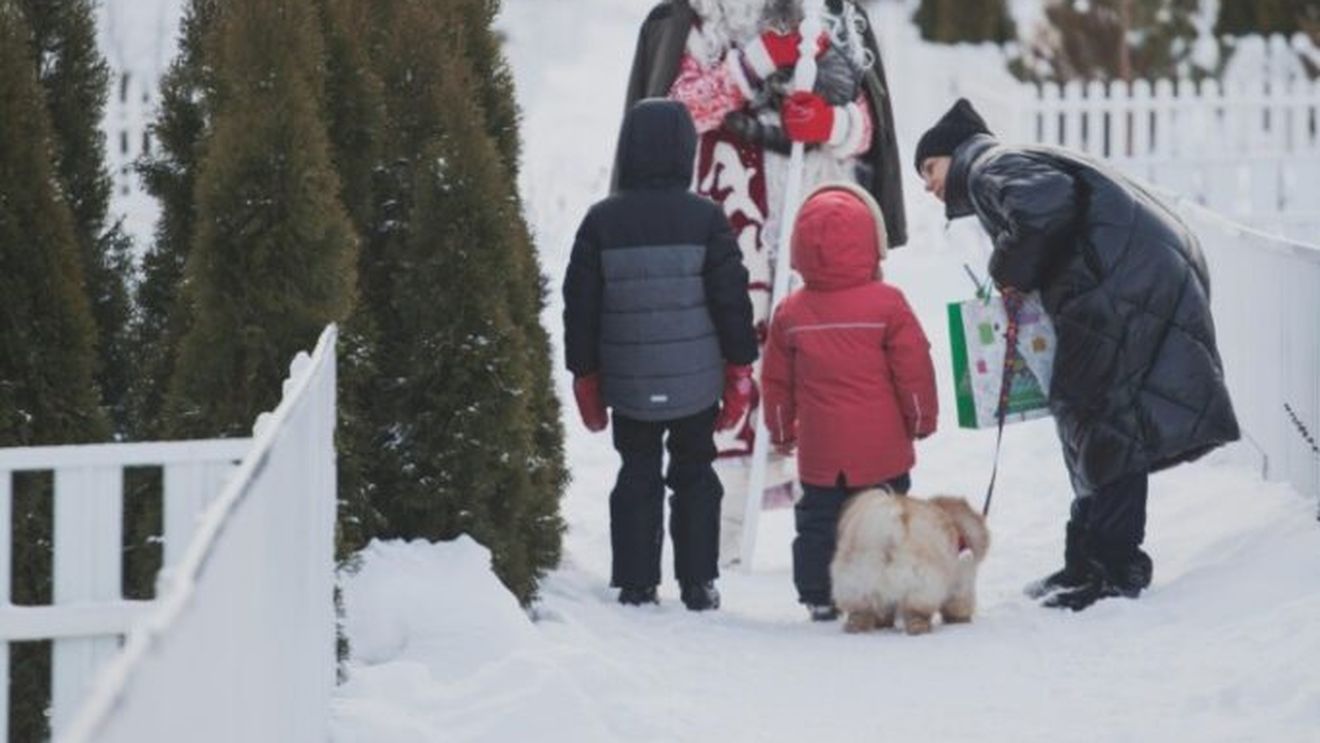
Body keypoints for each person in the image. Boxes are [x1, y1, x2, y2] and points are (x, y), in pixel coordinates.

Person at [914, 98, 1241, 611]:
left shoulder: (986, 166)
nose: (928, 186)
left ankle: (1113, 567)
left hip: (1118, 283)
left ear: (953, 155)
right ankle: (1088, 561)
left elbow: (1047, 208)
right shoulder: (1003, 162)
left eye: (929, 169)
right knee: (1089, 413)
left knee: (1101, 417)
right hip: (1133, 273)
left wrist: (1008, 272)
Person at [617, 0, 907, 566]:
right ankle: (719, 551)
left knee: (825, 382)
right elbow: (675, 112)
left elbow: (869, 122)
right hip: (725, 236)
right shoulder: (691, 21)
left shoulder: (831, 17)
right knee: (730, 381)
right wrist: (755, 60)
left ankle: (832, 549)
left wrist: (832, 123)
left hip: (814, 234)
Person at [564, 100, 759, 610]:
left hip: (628, 384)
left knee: (636, 472)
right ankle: (698, 583)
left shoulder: (601, 221)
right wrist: (740, 367)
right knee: (695, 473)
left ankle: (636, 581)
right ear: (685, 152)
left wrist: (585, 374)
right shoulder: (706, 218)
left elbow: (579, 305)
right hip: (695, 384)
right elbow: (731, 299)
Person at [761, 182, 937, 621]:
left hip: (822, 451)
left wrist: (782, 432)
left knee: (819, 522)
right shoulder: (889, 304)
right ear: (871, 244)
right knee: (889, 518)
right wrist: (921, 419)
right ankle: (888, 589)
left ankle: (819, 592)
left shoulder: (790, 313)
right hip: (883, 448)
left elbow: (776, 382)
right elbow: (914, 369)